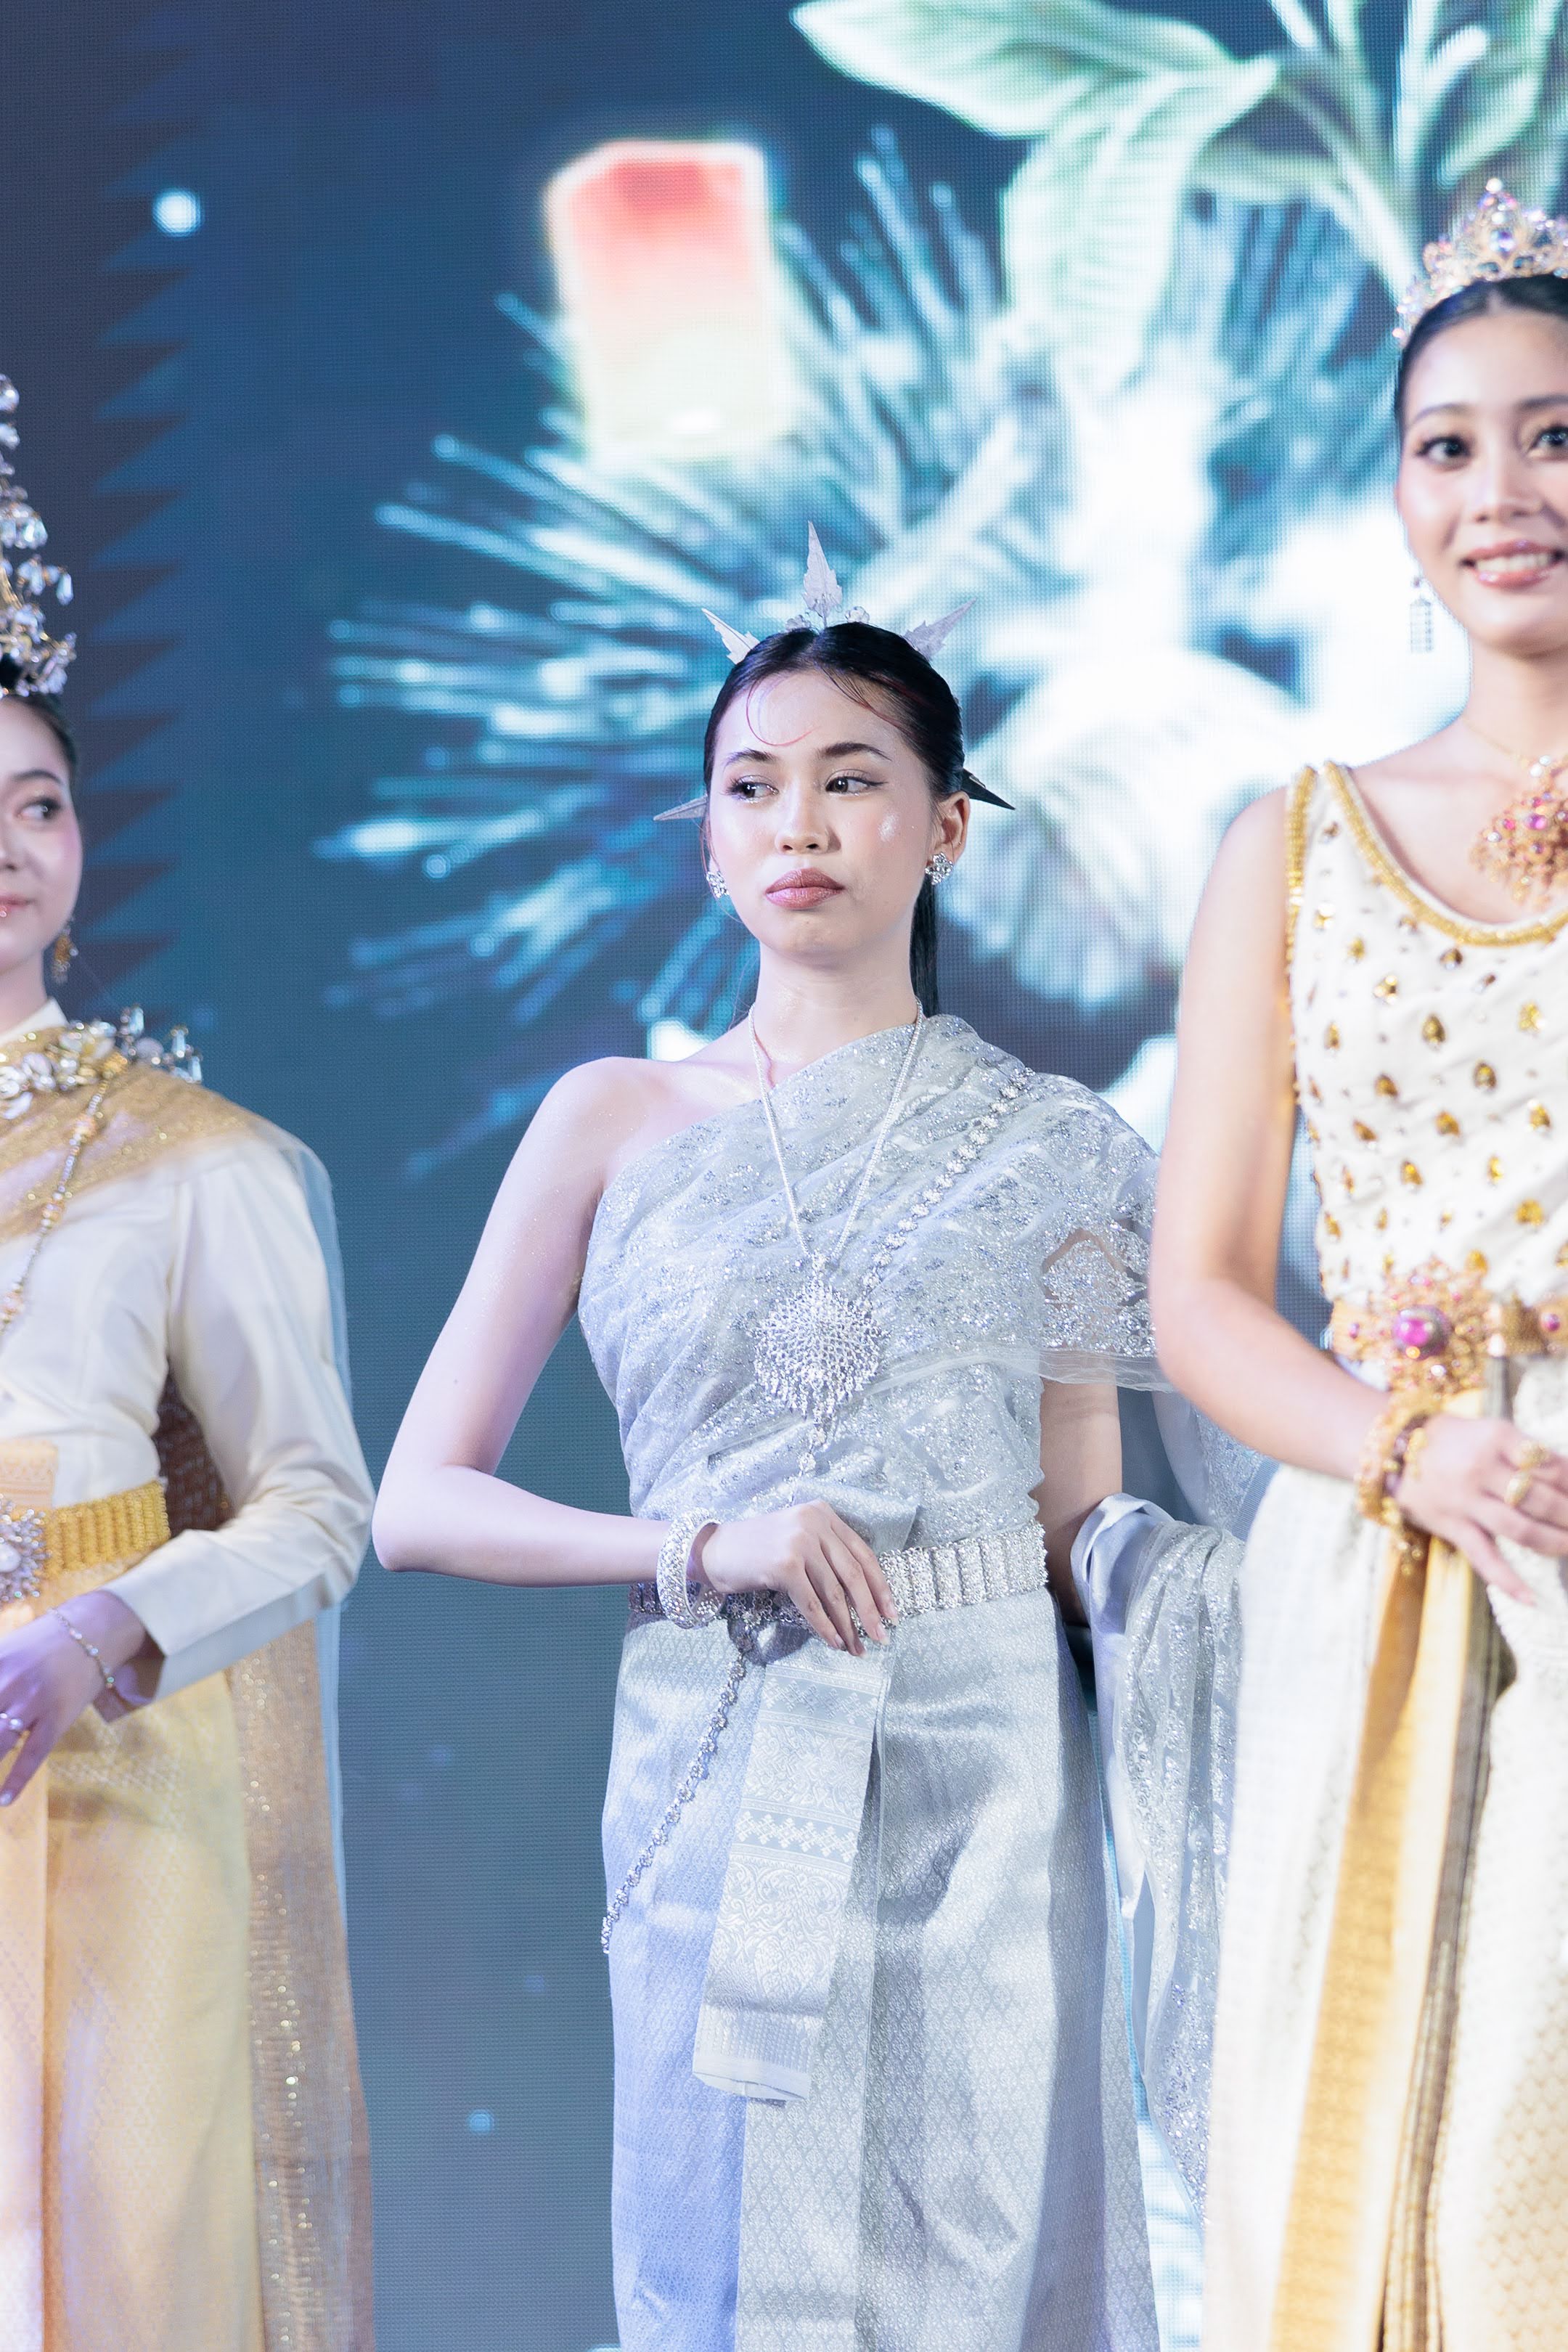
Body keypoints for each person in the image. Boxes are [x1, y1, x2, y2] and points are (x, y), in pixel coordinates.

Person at [375, 534, 1251, 2351]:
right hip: (718, 1749)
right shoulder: (613, 1118)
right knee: (719, 2262)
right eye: (752, 787)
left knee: (974, 2254)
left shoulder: (1054, 1142)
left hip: (987, 1781)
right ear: (706, 840)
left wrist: (1272, 1605)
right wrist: (702, 1548)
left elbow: (1081, 1524)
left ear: (947, 828)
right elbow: (416, 1503)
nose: (801, 824)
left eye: (853, 781)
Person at [1151, 182, 1568, 2352]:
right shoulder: (1295, 841)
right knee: (1362, 2154)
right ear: (1400, 498)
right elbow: (1202, 1291)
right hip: (1386, 1551)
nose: (1504, 493)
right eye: (1449, 446)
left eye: (1557, 436)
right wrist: (1410, 1453)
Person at [0, 379, 375, 2352]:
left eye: (38, 803)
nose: (12, 845)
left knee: (123, 2271)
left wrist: (104, 1631)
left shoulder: (193, 1162)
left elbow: (318, 1505)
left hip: (112, 1781)